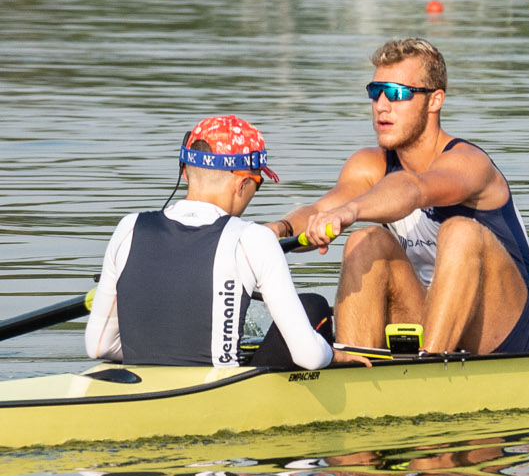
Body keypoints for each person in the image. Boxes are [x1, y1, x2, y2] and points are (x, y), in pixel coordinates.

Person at [278, 38, 529, 355]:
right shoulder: (368, 164)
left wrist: (350, 212)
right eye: (375, 92)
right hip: (429, 312)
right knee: (366, 241)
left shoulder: (469, 163)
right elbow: (319, 209)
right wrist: (274, 231)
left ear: (434, 100)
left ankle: (431, 369)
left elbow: (413, 189)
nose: (381, 105)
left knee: (460, 231)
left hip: (509, 329)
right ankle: (353, 364)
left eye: (397, 93)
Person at [87, 115, 340, 371]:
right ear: (242, 184)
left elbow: (99, 347)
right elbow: (310, 357)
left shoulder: (128, 228)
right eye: (258, 183)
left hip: (141, 388)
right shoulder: (253, 238)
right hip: (223, 397)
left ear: (184, 172)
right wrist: (334, 355)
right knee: (313, 305)